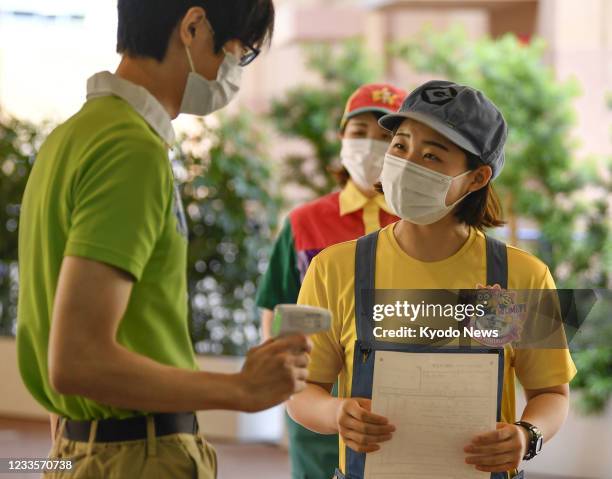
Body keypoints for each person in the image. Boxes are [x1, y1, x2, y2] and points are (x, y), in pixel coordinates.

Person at [16, 2, 311, 478]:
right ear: (194, 27)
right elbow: (77, 360)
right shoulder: (129, 148)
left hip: (92, 447)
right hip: (138, 453)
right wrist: (241, 389)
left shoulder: (71, 136)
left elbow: (61, 344)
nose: (235, 70)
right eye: (241, 52)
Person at [287, 80, 576, 479]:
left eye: (432, 156)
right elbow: (301, 392)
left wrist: (527, 435)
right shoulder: (333, 268)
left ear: (477, 178)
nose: (407, 164)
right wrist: (335, 412)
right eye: (401, 146)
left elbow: (553, 394)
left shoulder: (527, 276)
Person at [256, 83, 406, 479]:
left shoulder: (424, 225)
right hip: (320, 409)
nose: (371, 145)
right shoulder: (303, 223)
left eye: (386, 135)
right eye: (359, 132)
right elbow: (280, 309)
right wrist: (288, 379)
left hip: (405, 409)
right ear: (342, 138)